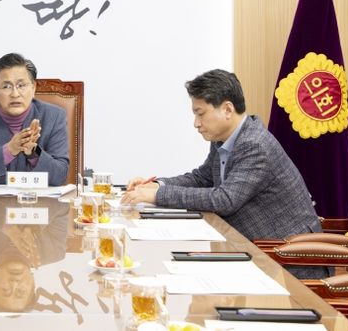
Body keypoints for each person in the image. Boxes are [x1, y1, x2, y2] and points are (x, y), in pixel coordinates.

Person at [121, 69, 325, 278]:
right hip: (254, 249)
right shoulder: (224, 139)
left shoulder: (254, 145)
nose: (196, 123)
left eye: (200, 114)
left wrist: (158, 196)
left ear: (227, 109)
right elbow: (202, 178)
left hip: (290, 261)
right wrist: (157, 185)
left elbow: (224, 200)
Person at [0, 53, 69, 186]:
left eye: (21, 85)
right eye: (6, 87)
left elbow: (60, 176)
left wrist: (34, 153)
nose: (15, 94)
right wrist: (8, 151)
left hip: (38, 199)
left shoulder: (54, 117)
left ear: (33, 88)